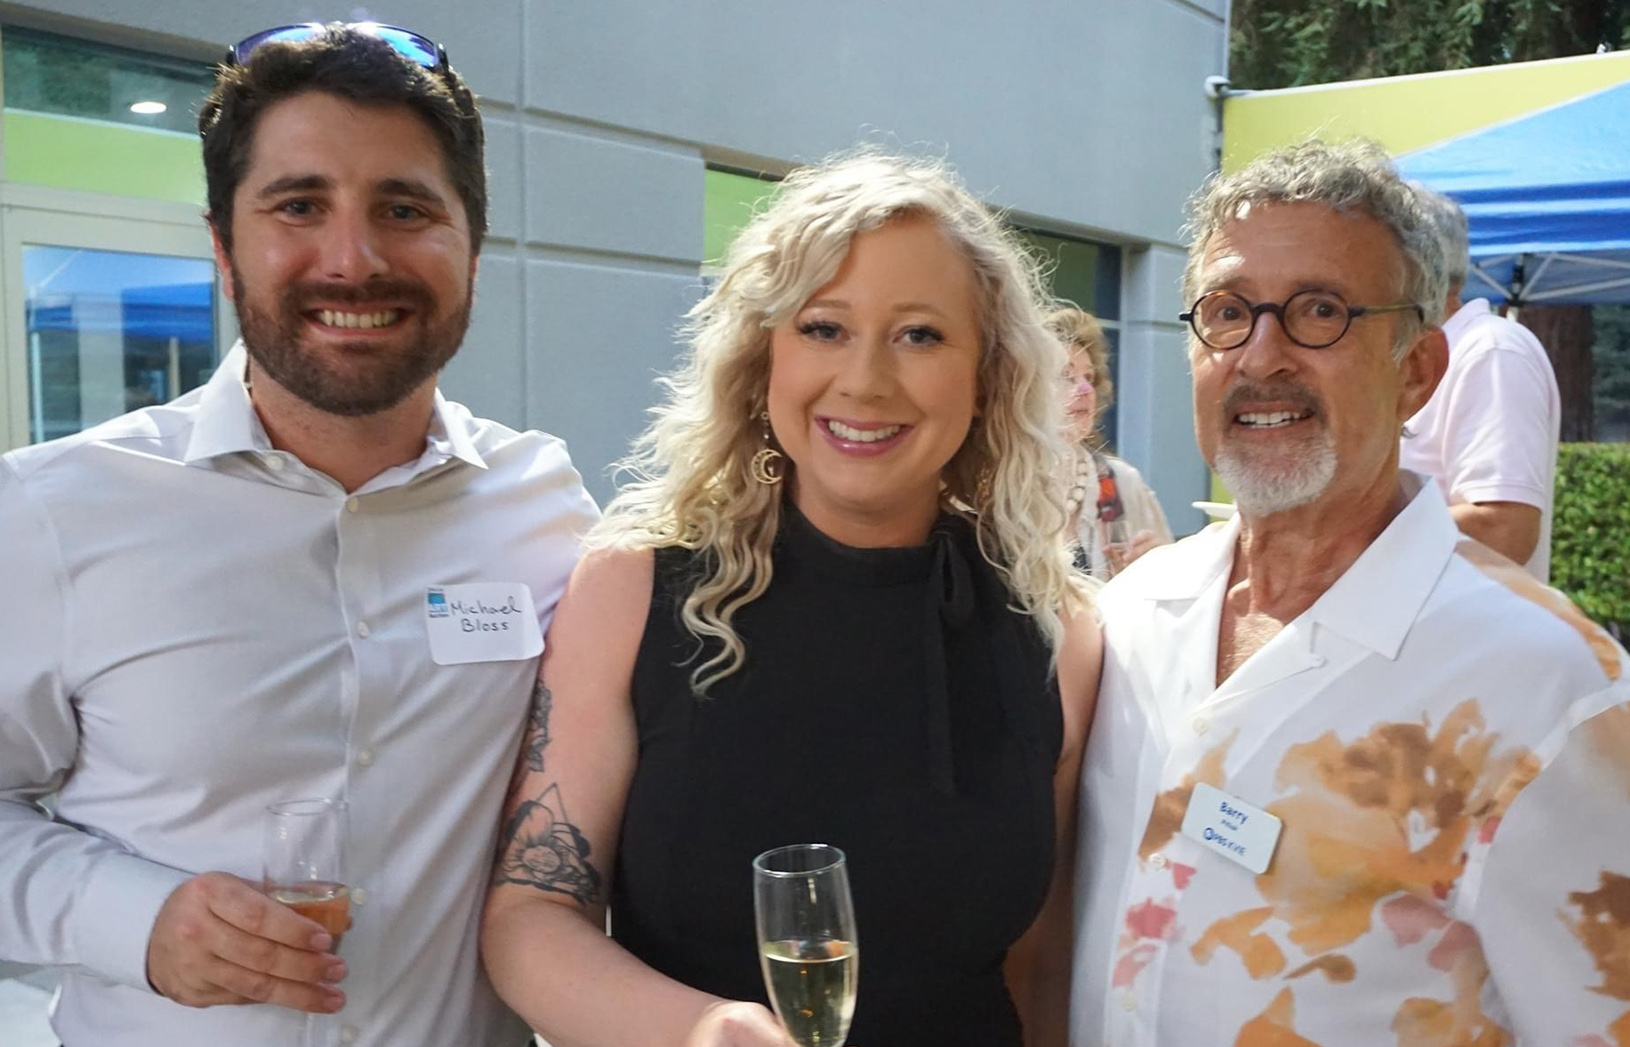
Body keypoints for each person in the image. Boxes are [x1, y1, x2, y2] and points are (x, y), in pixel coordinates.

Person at [0, 24, 597, 1047]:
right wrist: (129, 919)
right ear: (225, 249)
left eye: (405, 209)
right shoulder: (56, 510)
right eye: (299, 206)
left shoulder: (544, 507)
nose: (353, 259)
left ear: (472, 247)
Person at [481, 152, 1102, 1047]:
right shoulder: (634, 585)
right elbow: (531, 915)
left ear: (988, 375)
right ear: (761, 351)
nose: (864, 380)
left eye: (920, 334)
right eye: (823, 327)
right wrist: (700, 1032)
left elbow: (1039, 965)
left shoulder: (1059, 633)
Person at [1070, 139, 1630, 1046]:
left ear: (1417, 370)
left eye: (1320, 311)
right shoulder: (1135, 614)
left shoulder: (1551, 691)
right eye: (1226, 312)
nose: (1262, 355)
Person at [1400, 185, 1561, 580]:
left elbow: (1504, 529)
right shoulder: (1447, 350)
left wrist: (1340, 533)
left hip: (1456, 636)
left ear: (1414, 267)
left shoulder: (1490, 351)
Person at [1047, 305, 1173, 580]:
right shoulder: (994, 488)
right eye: (1066, 376)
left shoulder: (1122, 483)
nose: (1085, 389)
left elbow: (1172, 603)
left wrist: (1157, 568)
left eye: (1089, 377)